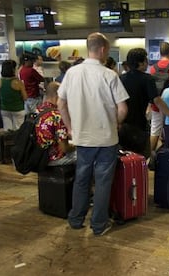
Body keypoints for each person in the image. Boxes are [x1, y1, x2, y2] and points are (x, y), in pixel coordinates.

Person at [57, 32, 129, 236]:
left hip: (82, 138)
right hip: (107, 139)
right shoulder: (109, 75)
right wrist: (115, 123)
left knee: (82, 179)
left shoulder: (72, 73)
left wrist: (70, 128)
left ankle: (76, 219)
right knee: (103, 182)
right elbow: (123, 108)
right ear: (103, 49)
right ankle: (98, 225)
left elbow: (60, 103)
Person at [119, 48, 169, 157]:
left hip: (123, 126)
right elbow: (157, 100)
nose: (147, 63)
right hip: (139, 126)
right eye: (146, 60)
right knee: (141, 158)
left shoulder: (121, 78)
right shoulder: (147, 79)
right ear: (141, 63)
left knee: (124, 159)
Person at [35, 82, 76, 166]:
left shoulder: (37, 110)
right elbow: (64, 148)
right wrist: (76, 145)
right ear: (58, 96)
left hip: (38, 156)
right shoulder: (57, 116)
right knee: (85, 155)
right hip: (53, 158)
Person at [0, 60, 27, 131]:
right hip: (18, 109)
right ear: (13, 70)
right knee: (18, 130)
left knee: (7, 130)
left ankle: (8, 141)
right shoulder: (18, 82)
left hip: (5, 109)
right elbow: (25, 97)